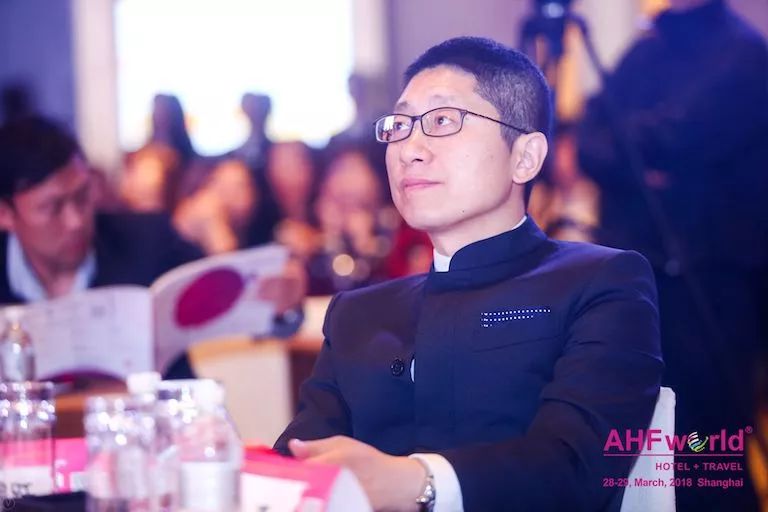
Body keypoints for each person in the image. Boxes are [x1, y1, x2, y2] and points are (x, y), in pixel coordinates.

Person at [275, 37, 663, 511]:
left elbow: (576, 465)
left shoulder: (599, 282)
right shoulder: (358, 313)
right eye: (399, 125)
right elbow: (298, 461)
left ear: (525, 156)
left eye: (442, 120)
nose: (409, 149)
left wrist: (415, 482)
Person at [577, 2, 767, 509]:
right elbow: (590, 141)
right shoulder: (646, 49)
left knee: (707, 451)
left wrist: (633, 151)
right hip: (637, 280)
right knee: (644, 447)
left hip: (710, 288)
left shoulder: (744, 55)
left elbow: (676, 138)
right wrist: (642, 163)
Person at [0, 116, 305, 379]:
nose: (75, 221)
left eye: (82, 197)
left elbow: (241, 305)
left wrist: (283, 305)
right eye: (51, 208)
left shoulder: (146, 241)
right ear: (5, 213)